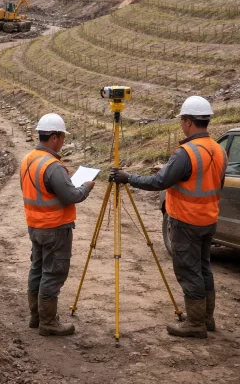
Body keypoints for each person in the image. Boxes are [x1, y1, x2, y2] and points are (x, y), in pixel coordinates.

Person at [110, 96, 227, 338]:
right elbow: (208, 181)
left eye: (182, 121)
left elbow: (158, 182)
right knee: (203, 268)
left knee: (188, 270)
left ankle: (195, 324)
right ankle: (206, 318)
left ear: (187, 121)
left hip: (187, 221)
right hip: (209, 220)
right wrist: (171, 170)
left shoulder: (186, 153)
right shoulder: (218, 149)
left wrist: (128, 177)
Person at [22, 113, 95, 336]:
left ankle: (36, 316)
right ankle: (48, 322)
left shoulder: (28, 159)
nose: (63, 141)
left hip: (35, 226)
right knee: (52, 274)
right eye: (62, 137)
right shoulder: (52, 166)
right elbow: (71, 195)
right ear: (54, 137)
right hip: (54, 228)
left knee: (37, 269)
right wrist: (87, 187)